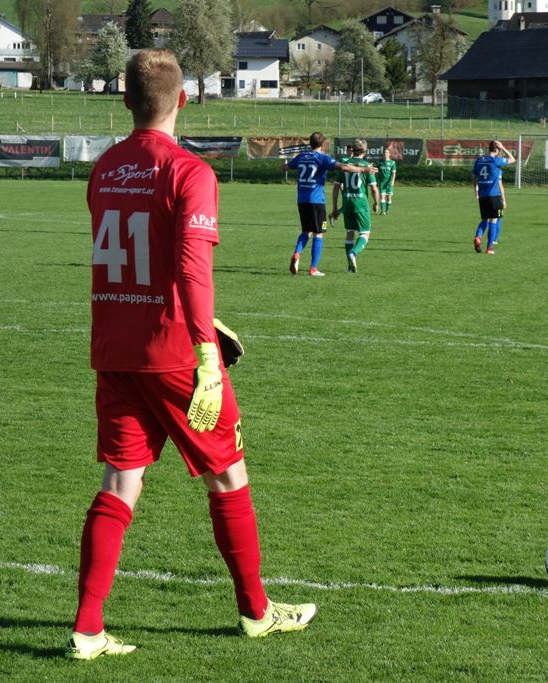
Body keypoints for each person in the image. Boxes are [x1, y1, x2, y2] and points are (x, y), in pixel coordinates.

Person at [69, 49, 317, 661]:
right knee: (228, 474)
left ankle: (88, 629)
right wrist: (207, 351)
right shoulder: (189, 171)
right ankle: (256, 612)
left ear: (125, 101)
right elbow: (190, 266)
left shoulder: (104, 168)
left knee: (120, 480)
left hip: (114, 348)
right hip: (175, 352)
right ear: (183, 100)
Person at [285, 133, 376, 277]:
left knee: (306, 230)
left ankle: (297, 253)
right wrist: (364, 170)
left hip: (301, 200)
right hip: (316, 201)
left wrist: (292, 165)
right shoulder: (323, 158)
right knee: (319, 233)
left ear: (310, 143)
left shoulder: (301, 156)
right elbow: (343, 167)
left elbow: (284, 167)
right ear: (323, 144)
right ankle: (313, 269)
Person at [331, 138, 380, 273]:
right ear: (365, 151)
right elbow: (374, 188)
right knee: (365, 233)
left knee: (350, 233)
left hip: (347, 202)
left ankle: (350, 267)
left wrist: (335, 208)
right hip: (360, 203)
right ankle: (353, 253)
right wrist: (376, 202)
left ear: (353, 149)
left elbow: (336, 188)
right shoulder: (367, 167)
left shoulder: (345, 165)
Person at [472, 140, 515, 255]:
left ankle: (478, 237)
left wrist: (476, 191)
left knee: (485, 219)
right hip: (494, 196)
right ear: (497, 149)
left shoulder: (479, 160)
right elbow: (512, 159)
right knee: (494, 220)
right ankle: (489, 247)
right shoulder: (496, 161)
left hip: (482, 196)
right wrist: (504, 148)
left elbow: (475, 176)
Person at [377, 149, 397, 214]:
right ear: (383, 154)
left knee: (389, 198)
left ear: (389, 154)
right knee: (382, 196)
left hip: (389, 182)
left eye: (387, 152)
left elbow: (393, 173)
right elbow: (377, 172)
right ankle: (383, 211)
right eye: (384, 152)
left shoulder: (392, 163)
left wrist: (392, 181)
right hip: (382, 182)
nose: (386, 153)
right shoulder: (380, 162)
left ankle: (386, 210)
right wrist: (377, 180)